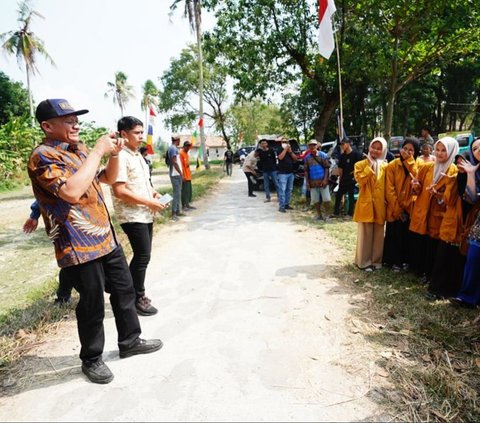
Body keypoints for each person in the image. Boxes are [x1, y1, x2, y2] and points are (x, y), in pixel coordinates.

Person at [28, 98, 162, 384]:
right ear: (47, 126)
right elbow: (71, 192)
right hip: (76, 243)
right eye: (68, 120)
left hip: (104, 235)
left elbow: (106, 179)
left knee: (125, 290)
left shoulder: (79, 151)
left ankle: (130, 341)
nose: (75, 123)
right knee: (91, 302)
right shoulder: (42, 156)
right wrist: (99, 150)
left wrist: (113, 155)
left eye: (76, 118)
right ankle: (91, 358)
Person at [111, 116, 166, 317]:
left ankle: (131, 294)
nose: (141, 136)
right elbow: (120, 191)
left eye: (142, 132)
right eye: (137, 133)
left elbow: (144, 183)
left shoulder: (137, 155)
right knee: (142, 256)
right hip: (131, 214)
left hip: (144, 212)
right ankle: (136, 297)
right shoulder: (120, 157)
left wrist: (154, 193)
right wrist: (148, 202)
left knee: (143, 255)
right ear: (123, 134)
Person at [408, 137, 459, 287]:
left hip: (439, 215)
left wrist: (438, 195)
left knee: (434, 246)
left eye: (444, 150)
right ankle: (421, 271)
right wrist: (415, 185)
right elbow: (416, 189)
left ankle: (431, 274)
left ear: (451, 152)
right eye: (438, 149)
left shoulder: (453, 170)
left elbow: (451, 197)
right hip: (423, 211)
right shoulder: (426, 167)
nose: (440, 153)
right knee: (422, 243)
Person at [23, 200, 74, 305]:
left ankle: (63, 297)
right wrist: (34, 214)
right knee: (69, 259)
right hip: (64, 222)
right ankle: (63, 297)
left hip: (84, 219)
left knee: (72, 260)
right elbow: (45, 191)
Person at [383, 137, 420, 271]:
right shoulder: (392, 165)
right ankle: (392, 261)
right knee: (394, 234)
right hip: (394, 209)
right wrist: (398, 210)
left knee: (406, 236)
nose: (407, 152)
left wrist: (410, 162)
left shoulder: (417, 165)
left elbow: (417, 186)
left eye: (411, 150)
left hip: (409, 208)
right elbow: (389, 189)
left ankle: (405, 261)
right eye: (405, 148)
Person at [451, 137, 480, 308]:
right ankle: (467, 297)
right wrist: (470, 173)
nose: (479, 150)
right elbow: (470, 198)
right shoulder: (474, 171)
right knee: (473, 256)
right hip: (478, 223)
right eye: (475, 148)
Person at [353, 137, 388, 271]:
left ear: (383, 150)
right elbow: (360, 182)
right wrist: (370, 166)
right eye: (373, 147)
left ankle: (376, 261)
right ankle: (363, 262)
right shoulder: (360, 165)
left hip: (380, 204)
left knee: (379, 234)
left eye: (379, 148)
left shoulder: (386, 166)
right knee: (365, 235)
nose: (375, 150)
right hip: (366, 204)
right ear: (369, 148)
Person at [332, 138, 362, 218]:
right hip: (344, 179)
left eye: (343, 144)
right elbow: (340, 169)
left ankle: (350, 213)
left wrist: (357, 178)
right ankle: (336, 212)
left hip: (353, 179)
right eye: (341, 144)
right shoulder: (342, 156)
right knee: (338, 195)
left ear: (348, 144)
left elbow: (360, 167)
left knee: (351, 196)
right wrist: (340, 179)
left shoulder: (356, 154)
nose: (342, 146)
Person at [303, 139, 331, 220]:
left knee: (326, 199)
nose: (312, 147)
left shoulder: (323, 155)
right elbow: (306, 171)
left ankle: (327, 215)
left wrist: (325, 179)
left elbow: (327, 168)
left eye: (314, 145)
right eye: (310, 145)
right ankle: (319, 215)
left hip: (323, 181)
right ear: (308, 146)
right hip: (313, 183)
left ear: (317, 146)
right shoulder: (307, 158)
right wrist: (307, 183)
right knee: (315, 200)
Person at [276, 139, 298, 212]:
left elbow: (295, 159)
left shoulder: (290, 150)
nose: (285, 143)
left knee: (289, 189)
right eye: (283, 142)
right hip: (282, 173)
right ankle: (281, 206)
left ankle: (286, 204)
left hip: (290, 173)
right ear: (281, 143)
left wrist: (290, 152)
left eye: (286, 142)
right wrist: (285, 149)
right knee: (282, 190)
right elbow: (280, 157)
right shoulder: (279, 149)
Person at [168, 135, 185, 221]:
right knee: (176, 193)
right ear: (177, 140)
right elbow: (174, 162)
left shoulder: (173, 148)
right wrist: (180, 172)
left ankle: (178, 211)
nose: (180, 142)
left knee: (178, 193)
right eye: (179, 140)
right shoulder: (173, 148)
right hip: (175, 174)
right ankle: (173, 213)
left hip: (176, 174)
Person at [179, 140, 196, 211]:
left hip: (188, 175)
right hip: (184, 176)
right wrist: (182, 176)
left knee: (189, 191)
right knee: (184, 191)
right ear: (184, 146)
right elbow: (181, 166)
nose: (188, 148)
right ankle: (184, 206)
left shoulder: (187, 154)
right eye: (187, 146)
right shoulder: (181, 154)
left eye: (189, 146)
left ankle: (187, 204)